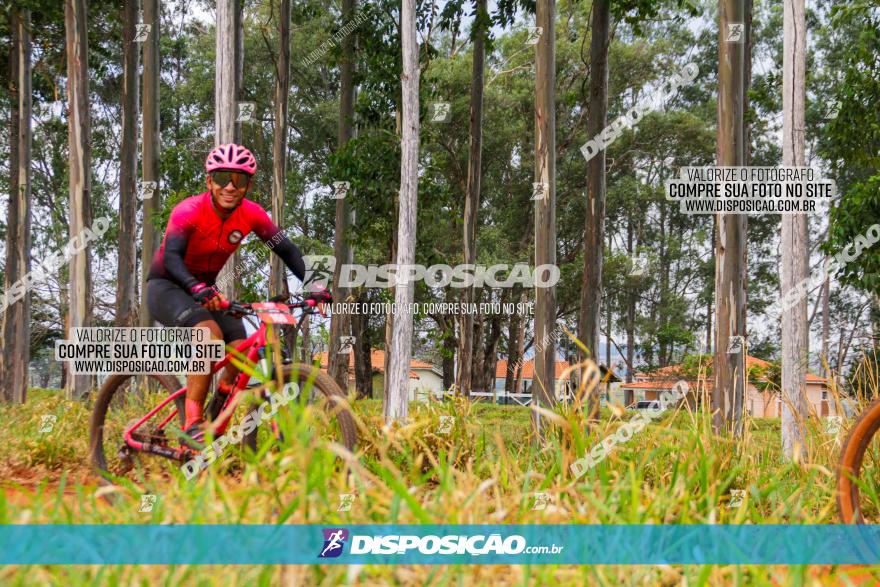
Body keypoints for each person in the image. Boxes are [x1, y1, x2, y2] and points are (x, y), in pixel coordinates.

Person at [146, 143, 330, 446]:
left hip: (205, 290)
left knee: (242, 350)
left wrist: (316, 286)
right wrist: (196, 288)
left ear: (248, 185)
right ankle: (192, 420)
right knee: (209, 334)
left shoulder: (252, 215)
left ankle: (217, 412)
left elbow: (286, 250)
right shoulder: (188, 211)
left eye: (239, 180)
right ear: (209, 181)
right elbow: (172, 258)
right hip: (168, 285)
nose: (230, 186)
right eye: (221, 178)